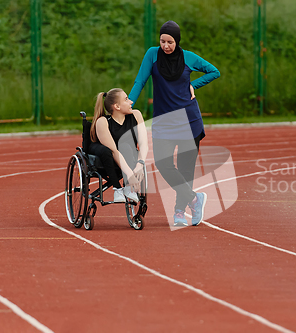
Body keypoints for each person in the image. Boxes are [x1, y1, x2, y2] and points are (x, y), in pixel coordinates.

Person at [129, 20, 220, 227]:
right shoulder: (152, 54)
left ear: (177, 41)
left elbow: (214, 71)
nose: (165, 46)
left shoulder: (188, 57)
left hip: (189, 121)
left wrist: (192, 85)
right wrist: (129, 105)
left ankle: (179, 212)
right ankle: (195, 200)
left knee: (186, 169)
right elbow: (139, 81)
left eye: (170, 42)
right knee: (163, 163)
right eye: (162, 41)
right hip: (163, 121)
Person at [89, 88, 148, 203]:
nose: (131, 102)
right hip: (106, 157)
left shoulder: (136, 115)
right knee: (109, 150)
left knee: (126, 146)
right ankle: (117, 188)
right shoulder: (102, 122)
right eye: (126, 100)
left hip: (127, 154)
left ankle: (128, 188)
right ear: (117, 106)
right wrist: (130, 174)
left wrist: (140, 163)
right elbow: (114, 151)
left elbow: (144, 143)